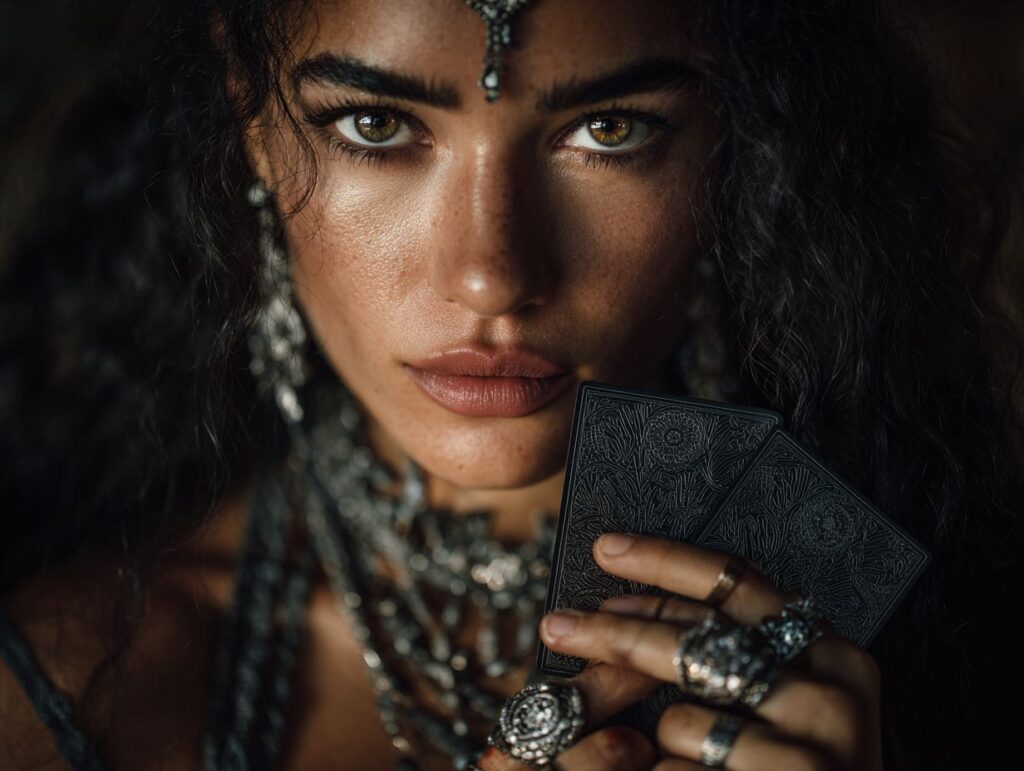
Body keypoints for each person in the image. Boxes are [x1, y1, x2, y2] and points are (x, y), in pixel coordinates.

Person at [1, 0, 1021, 769]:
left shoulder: (956, 623)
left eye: (609, 130)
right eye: (374, 126)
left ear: (736, 146)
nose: (491, 275)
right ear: (251, 122)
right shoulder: (79, 682)